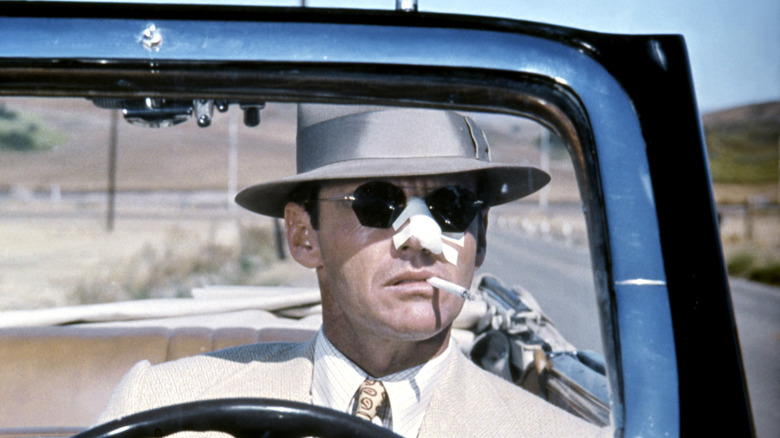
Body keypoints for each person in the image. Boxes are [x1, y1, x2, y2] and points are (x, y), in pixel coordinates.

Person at [97, 105, 605, 437]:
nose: (419, 238)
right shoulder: (163, 412)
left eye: (451, 207)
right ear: (304, 235)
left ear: (483, 236)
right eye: (379, 203)